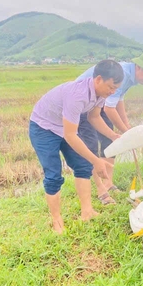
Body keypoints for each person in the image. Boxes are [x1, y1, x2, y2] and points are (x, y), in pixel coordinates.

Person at [29, 59, 124, 233]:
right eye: (111, 87)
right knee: (53, 174)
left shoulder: (100, 95)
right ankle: (57, 220)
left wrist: (112, 135)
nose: (112, 92)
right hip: (43, 127)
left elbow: (94, 117)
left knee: (82, 165)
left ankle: (87, 212)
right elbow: (71, 135)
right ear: (98, 79)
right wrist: (97, 160)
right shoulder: (78, 95)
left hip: (63, 127)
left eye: (116, 89)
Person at [75, 52, 143, 196]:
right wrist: (126, 131)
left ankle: (107, 182)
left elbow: (118, 101)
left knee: (110, 142)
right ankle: (100, 190)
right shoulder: (122, 74)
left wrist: (126, 125)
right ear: (139, 67)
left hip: (99, 100)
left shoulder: (129, 76)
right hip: (82, 103)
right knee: (90, 145)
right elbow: (109, 109)